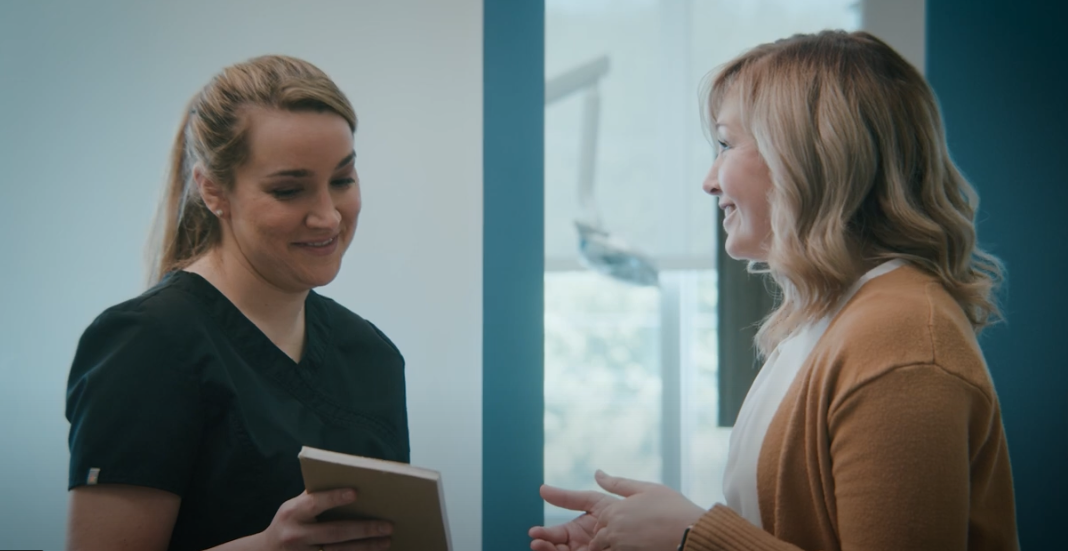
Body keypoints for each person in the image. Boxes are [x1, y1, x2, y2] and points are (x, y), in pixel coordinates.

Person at [529, 30, 1019, 551]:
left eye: (725, 144)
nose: (709, 180)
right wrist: (648, 535)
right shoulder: (830, 320)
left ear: (808, 156)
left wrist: (693, 536)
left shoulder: (899, 340)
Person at [65, 55, 407, 551]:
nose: (328, 217)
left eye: (342, 180)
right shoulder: (148, 343)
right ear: (212, 190)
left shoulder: (371, 355)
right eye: (289, 190)